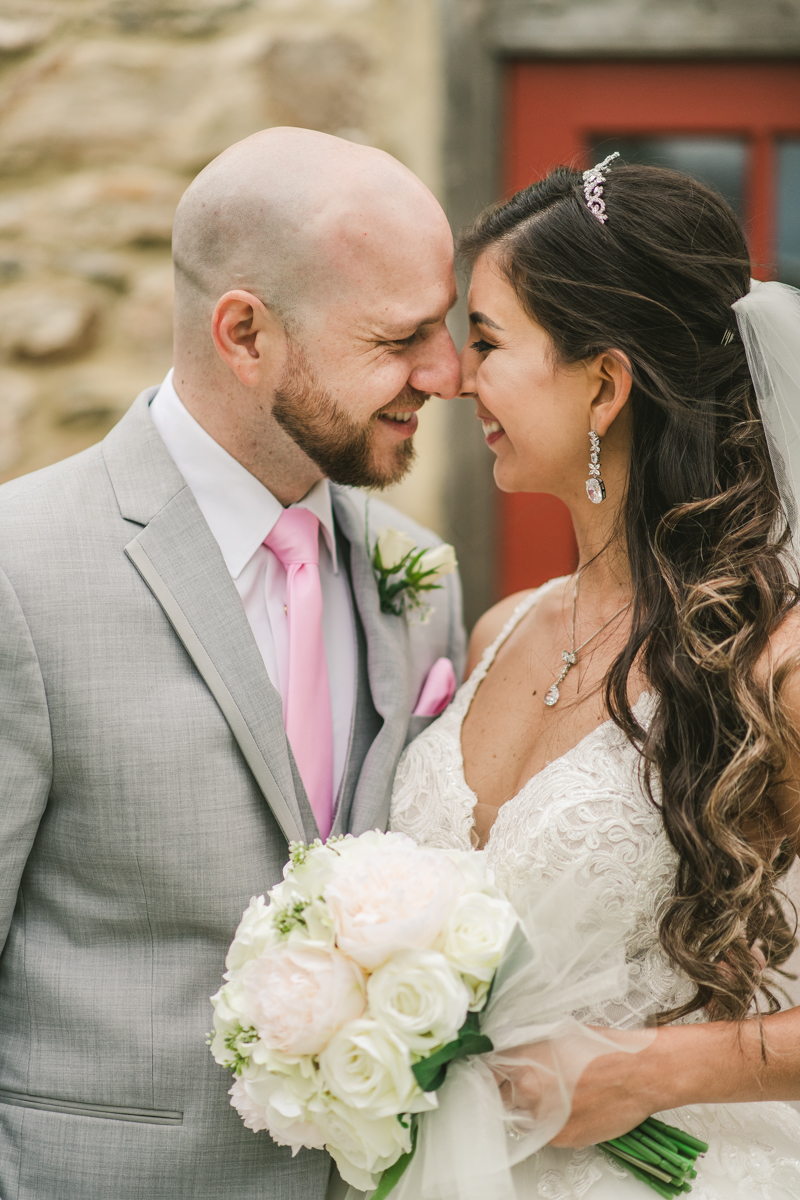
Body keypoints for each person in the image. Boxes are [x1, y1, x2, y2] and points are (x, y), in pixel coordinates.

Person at [0, 128, 465, 1200]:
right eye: (400, 337)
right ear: (244, 333)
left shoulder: (419, 578)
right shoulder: (21, 573)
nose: (443, 375)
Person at [391, 158, 800, 1197]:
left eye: (484, 340)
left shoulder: (774, 663)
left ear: (604, 384)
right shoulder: (500, 630)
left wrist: (654, 1069)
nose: (452, 375)